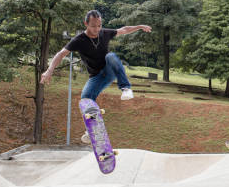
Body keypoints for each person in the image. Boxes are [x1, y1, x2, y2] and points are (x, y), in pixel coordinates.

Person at [40, 10, 151, 143]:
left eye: (99, 25)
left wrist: (139, 27)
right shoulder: (79, 40)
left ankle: (126, 88)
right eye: (93, 26)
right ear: (86, 23)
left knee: (111, 56)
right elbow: (61, 54)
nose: (97, 29)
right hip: (96, 77)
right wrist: (49, 70)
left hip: (109, 70)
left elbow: (123, 30)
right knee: (85, 99)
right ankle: (93, 129)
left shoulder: (104, 33)